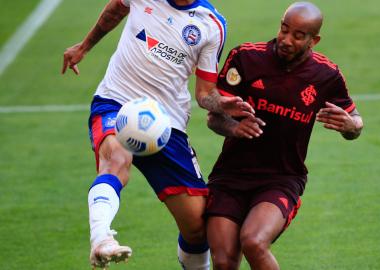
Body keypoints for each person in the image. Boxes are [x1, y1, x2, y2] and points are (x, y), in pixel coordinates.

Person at [61, 0, 254, 269]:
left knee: (198, 227)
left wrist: (220, 103)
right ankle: (101, 238)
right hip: (118, 101)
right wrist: (84, 46)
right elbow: (118, 7)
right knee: (116, 160)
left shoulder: (212, 25)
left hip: (167, 122)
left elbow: (204, 93)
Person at [204, 1, 364, 270]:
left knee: (254, 241)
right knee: (223, 261)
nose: (286, 39)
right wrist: (233, 127)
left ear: (314, 40)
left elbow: (356, 122)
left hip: (282, 178)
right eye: (284, 29)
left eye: (298, 35)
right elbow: (213, 117)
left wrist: (351, 126)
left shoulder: (326, 75)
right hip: (230, 175)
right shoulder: (245, 58)